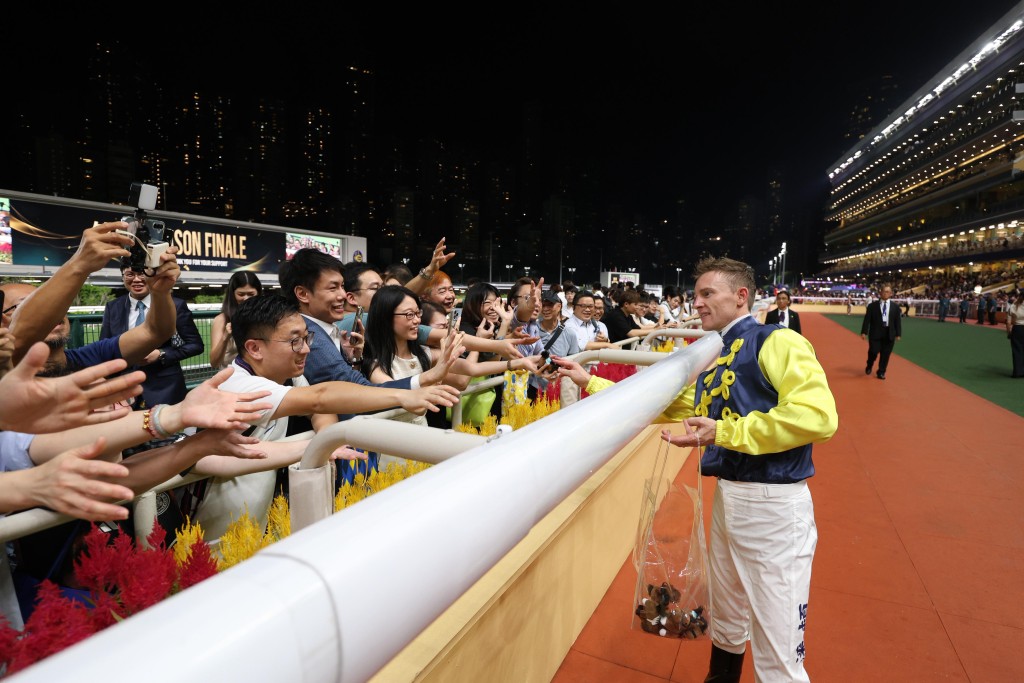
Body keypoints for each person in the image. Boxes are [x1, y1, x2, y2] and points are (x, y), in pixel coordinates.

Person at [554, 256, 838, 682]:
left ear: (741, 296)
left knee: (777, 642)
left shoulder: (777, 342)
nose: (697, 302)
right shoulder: (721, 357)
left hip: (774, 503)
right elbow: (670, 406)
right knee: (728, 609)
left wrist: (723, 432)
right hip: (731, 496)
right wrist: (589, 381)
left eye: (708, 294)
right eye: (696, 294)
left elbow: (818, 417)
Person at [100, 264, 205, 412]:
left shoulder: (175, 305)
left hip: (165, 389)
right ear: (123, 277)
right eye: (130, 274)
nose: (136, 279)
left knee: (166, 434)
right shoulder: (113, 307)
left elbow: (195, 345)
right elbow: (104, 348)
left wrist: (161, 354)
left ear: (152, 275)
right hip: (125, 391)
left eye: (142, 274)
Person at [209, 271, 263, 368]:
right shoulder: (222, 320)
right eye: (241, 294)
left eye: (251, 294)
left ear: (258, 293)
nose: (246, 298)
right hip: (231, 378)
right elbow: (214, 363)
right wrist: (225, 337)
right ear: (232, 294)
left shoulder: (266, 317)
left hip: (261, 378)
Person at [861, 284, 902, 380]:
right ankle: (869, 364)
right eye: (884, 291)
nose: (886, 293)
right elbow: (867, 320)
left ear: (891, 294)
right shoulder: (872, 306)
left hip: (889, 333)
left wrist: (898, 334)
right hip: (875, 333)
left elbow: (897, 321)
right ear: (880, 293)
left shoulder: (895, 307)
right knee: (873, 351)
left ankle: (881, 372)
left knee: (885, 354)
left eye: (888, 292)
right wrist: (864, 332)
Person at [1007, 289, 1024, 378]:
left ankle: (1018, 372)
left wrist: (1009, 332)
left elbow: (1009, 322)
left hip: (1017, 329)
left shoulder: (1014, 306)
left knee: (1017, 351)